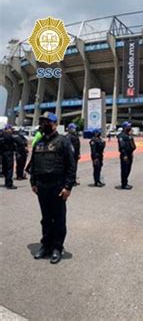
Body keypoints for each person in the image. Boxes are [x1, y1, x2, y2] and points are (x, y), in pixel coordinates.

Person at [30, 112, 76, 264]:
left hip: (57, 186)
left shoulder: (63, 142)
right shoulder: (39, 143)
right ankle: (46, 245)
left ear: (55, 124)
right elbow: (34, 164)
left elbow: (71, 166)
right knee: (46, 219)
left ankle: (57, 247)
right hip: (42, 187)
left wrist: (68, 187)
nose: (44, 125)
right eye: (42, 122)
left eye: (47, 122)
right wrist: (33, 182)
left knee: (58, 219)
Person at [117, 121, 136, 189]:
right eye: (128, 126)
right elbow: (122, 146)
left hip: (130, 154)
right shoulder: (121, 136)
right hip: (125, 155)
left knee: (128, 169)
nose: (130, 127)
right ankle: (124, 184)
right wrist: (124, 155)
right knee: (124, 169)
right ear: (124, 127)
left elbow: (132, 145)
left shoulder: (128, 135)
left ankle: (126, 182)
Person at [0, 124, 19, 189]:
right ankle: (9, 184)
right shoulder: (10, 135)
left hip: (3, 153)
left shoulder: (1, 135)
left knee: (5, 168)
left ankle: (6, 182)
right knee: (9, 169)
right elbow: (18, 141)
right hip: (9, 153)